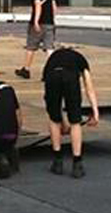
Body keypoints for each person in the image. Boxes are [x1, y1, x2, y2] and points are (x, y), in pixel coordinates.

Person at [42, 45, 99, 179]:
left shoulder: (52, 58)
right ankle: (77, 163)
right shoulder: (80, 59)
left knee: (53, 119)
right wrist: (95, 112)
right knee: (75, 122)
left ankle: (57, 161)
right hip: (70, 78)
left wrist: (61, 119)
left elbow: (50, 95)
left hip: (52, 76)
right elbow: (89, 88)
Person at [15, 0, 57, 79]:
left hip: (39, 23)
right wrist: (52, 18)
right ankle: (52, 70)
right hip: (49, 23)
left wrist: (36, 21)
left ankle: (26, 69)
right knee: (49, 48)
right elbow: (54, 7)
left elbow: (38, 6)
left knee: (31, 47)